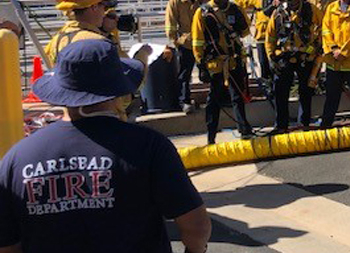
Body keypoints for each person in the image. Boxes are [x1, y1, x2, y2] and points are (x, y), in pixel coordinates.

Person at [0, 39, 211, 253]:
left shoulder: (17, 159)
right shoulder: (149, 146)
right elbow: (196, 226)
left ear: (60, 91)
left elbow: (7, 244)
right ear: (118, 90)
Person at [191, 0, 253, 144]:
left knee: (237, 97)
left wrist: (240, 25)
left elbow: (246, 31)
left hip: (234, 61)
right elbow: (198, 41)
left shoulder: (235, 9)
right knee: (214, 100)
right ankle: (211, 135)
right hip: (215, 64)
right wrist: (201, 65)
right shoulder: (202, 13)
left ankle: (244, 129)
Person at [265, 0, 322, 131]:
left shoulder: (310, 10)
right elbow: (270, 37)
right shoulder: (278, 14)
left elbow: (322, 30)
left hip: (306, 57)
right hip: (284, 58)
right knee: (281, 93)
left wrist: (317, 50)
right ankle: (281, 125)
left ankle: (304, 124)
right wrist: (271, 57)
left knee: (306, 92)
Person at [165, 0, 210, 113]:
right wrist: (176, 43)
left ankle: (216, 99)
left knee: (211, 71)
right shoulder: (175, 2)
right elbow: (170, 26)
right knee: (185, 74)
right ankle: (184, 101)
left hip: (206, 44)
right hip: (187, 45)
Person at [234, 0, 281, 95]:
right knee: (264, 65)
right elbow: (236, 3)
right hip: (261, 37)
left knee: (278, 65)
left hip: (278, 38)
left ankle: (279, 89)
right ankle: (268, 90)